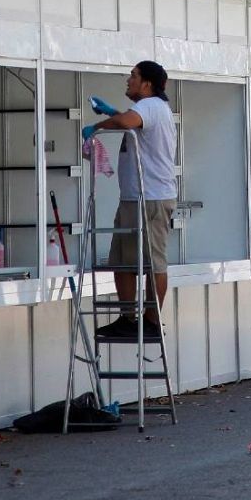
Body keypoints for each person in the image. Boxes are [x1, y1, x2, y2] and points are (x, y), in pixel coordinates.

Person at [83, 61, 178, 339]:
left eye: (133, 76)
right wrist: (113, 113)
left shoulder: (152, 106)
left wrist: (99, 125)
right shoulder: (147, 110)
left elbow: (126, 122)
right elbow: (129, 123)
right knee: (123, 260)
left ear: (147, 84)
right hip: (134, 198)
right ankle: (128, 317)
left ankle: (151, 320)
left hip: (152, 198)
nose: (128, 80)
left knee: (153, 262)